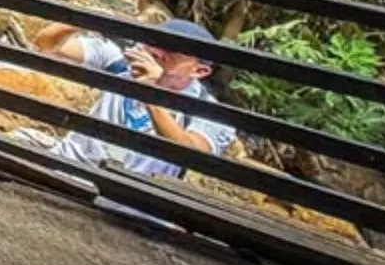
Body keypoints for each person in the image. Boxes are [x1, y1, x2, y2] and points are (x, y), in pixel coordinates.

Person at [29, 19, 237, 180]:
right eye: (154, 41)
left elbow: (191, 153)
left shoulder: (210, 112)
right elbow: (45, 45)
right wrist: (85, 21)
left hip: (129, 203)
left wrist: (150, 95)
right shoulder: (119, 60)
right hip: (66, 168)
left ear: (199, 71)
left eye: (172, 50)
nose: (156, 51)